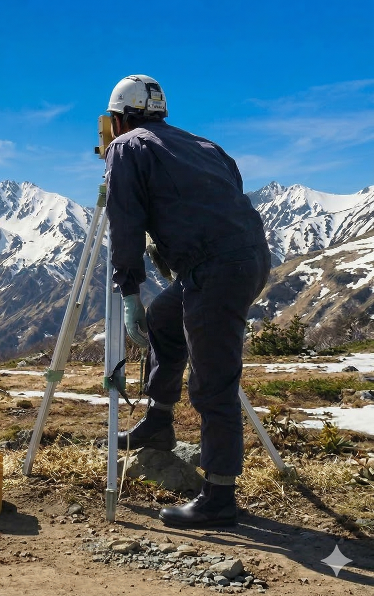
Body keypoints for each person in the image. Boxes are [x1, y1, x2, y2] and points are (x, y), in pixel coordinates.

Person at [102, 74, 271, 528]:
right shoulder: (204, 145)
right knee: (165, 316)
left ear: (118, 118)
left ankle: (219, 495)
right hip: (246, 257)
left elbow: (125, 221)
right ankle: (159, 419)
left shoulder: (127, 147)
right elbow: (218, 198)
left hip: (216, 268)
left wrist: (128, 289)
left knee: (212, 381)